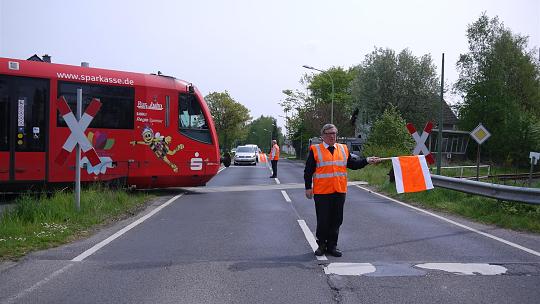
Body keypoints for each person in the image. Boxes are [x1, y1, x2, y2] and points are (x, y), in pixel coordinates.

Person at [304, 124, 381, 257]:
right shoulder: (315, 150)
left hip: (339, 190)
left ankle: (332, 246)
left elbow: (353, 164)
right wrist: (308, 187)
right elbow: (308, 171)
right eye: (329, 134)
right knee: (323, 220)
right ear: (323, 136)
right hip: (322, 192)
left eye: (334, 133)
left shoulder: (343, 149)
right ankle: (321, 244)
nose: (332, 136)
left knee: (337, 220)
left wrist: (367, 160)